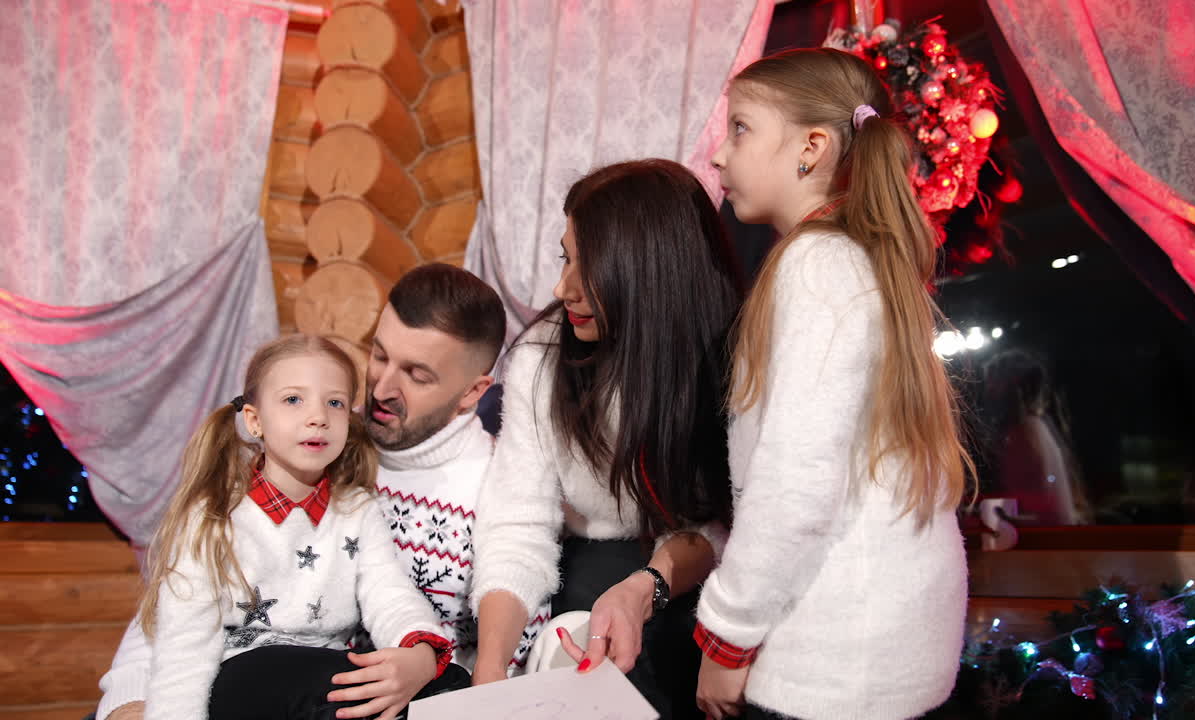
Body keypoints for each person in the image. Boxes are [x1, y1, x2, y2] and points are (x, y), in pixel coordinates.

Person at [97, 264, 547, 720]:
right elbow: (177, 616)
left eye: (417, 374)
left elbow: (395, 594)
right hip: (252, 681)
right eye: (379, 354)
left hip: (387, 687)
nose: (382, 389)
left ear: (473, 392)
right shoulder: (310, 451)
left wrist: (424, 655)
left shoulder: (500, 478)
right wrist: (127, 705)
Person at [692, 48, 973, 720]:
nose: (719, 156)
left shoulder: (816, 265)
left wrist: (725, 638)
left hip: (832, 662)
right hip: (887, 651)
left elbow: (798, 480)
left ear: (811, 148)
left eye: (741, 129)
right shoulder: (863, 260)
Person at [469, 159, 743, 718]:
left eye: (587, 266)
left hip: (694, 576)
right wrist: (490, 666)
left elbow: (714, 530)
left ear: (649, 272)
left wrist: (646, 587)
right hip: (588, 563)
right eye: (565, 256)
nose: (561, 287)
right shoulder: (541, 359)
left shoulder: (725, 363)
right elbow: (518, 523)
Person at [138, 334, 454, 720]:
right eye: (293, 400)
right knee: (331, 690)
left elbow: (388, 592)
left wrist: (418, 652)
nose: (318, 416)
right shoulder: (215, 516)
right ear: (255, 421)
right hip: (244, 676)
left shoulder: (358, 509)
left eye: (334, 402)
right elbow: (183, 647)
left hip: (325, 672)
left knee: (448, 683)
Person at [981, 349, 1091, 526]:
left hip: (1047, 545)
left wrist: (1004, 520)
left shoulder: (1026, 432)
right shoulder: (1033, 428)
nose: (988, 391)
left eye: (993, 383)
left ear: (1013, 388)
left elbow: (1051, 513)